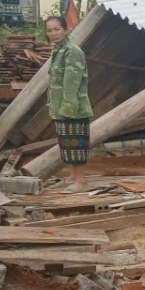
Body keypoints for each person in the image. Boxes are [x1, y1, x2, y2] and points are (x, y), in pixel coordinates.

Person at [45, 15, 92, 190]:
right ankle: (73, 176)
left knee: (76, 143)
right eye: (49, 30)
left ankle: (81, 180)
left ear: (65, 29)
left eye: (57, 29)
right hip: (60, 106)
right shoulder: (58, 50)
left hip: (73, 107)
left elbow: (71, 83)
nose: (53, 33)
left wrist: (68, 108)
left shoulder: (72, 51)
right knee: (66, 144)